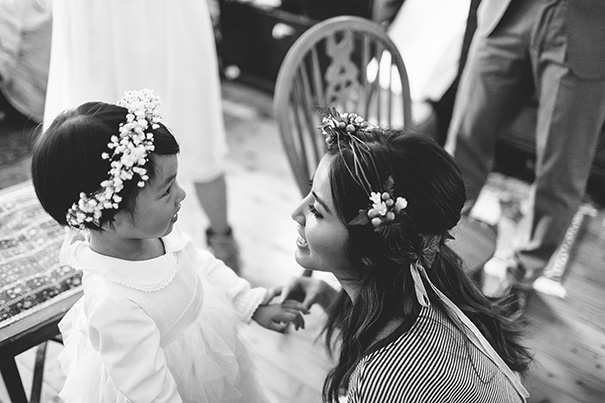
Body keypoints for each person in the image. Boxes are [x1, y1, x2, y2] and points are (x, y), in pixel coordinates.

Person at [31, 89, 304, 402]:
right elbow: (150, 390)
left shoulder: (154, 232)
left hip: (207, 347)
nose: (182, 194)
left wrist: (251, 303)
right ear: (111, 217)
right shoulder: (113, 303)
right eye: (166, 190)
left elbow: (200, 265)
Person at [280, 108, 532, 402]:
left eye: (316, 211)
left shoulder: (382, 380)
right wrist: (326, 296)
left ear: (371, 251)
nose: (296, 212)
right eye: (311, 192)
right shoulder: (424, 282)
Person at [42, 0, 241, 272]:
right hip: (96, 14)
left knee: (195, 122)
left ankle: (221, 239)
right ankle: (105, 253)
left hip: (165, 13)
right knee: (89, 138)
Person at [444, 0, 605, 307]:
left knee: (561, 172)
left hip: (587, 21)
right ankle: (441, 241)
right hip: (509, 11)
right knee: (464, 140)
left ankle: (521, 278)